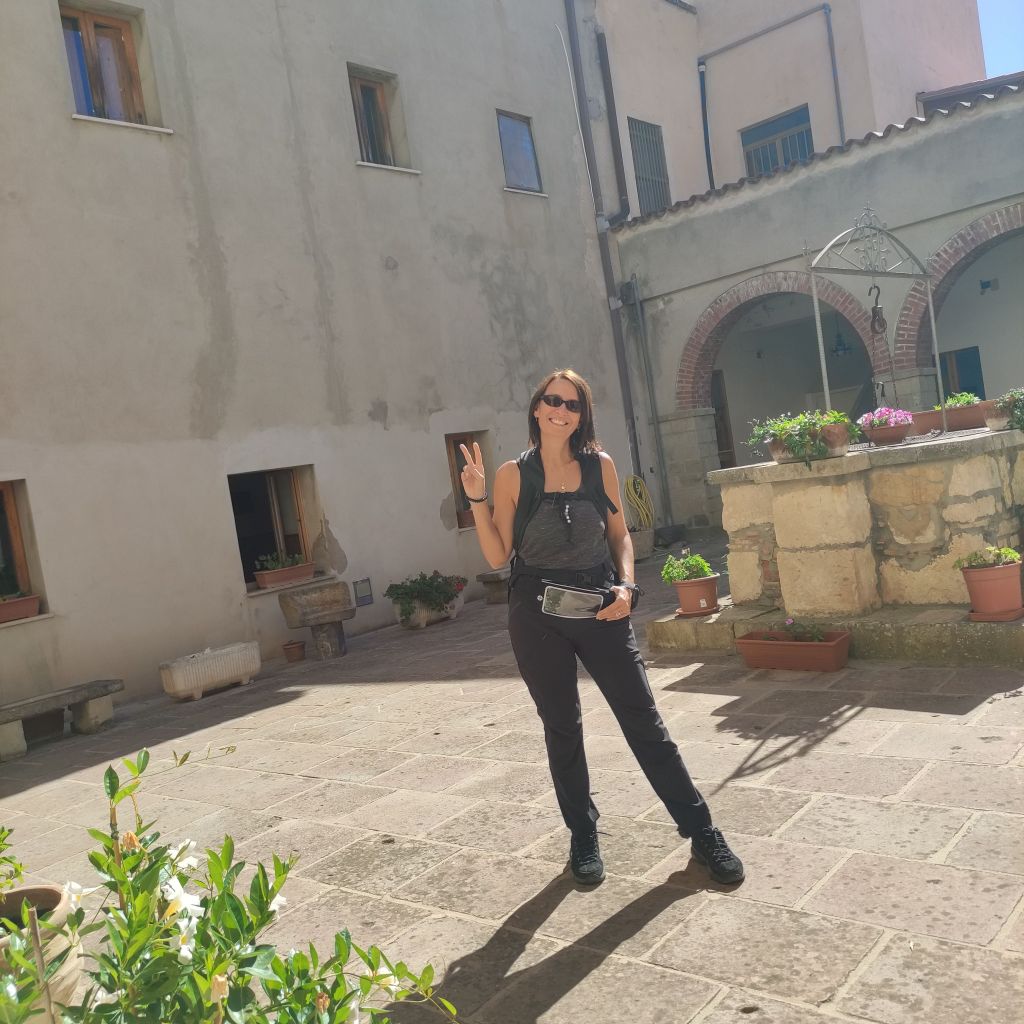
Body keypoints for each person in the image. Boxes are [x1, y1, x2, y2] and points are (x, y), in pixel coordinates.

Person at [460, 368, 744, 886]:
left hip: (602, 605)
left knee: (644, 722)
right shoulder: (513, 474)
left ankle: (702, 832)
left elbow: (620, 535)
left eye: (572, 404)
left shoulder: (600, 466)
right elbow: (499, 555)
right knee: (562, 727)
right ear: (536, 407)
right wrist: (478, 499)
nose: (561, 411)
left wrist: (627, 587)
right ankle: (583, 833)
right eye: (553, 401)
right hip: (537, 613)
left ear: (581, 415)